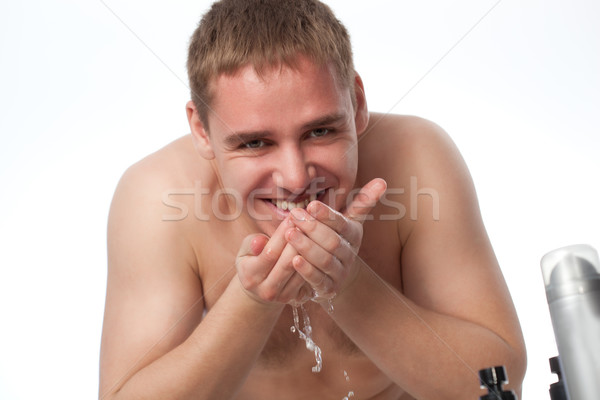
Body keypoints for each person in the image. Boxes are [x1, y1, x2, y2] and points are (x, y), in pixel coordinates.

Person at [99, 0, 527, 399]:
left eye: (320, 132)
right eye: (253, 143)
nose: (295, 177)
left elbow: (500, 379)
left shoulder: (417, 156)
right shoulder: (153, 195)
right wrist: (252, 302)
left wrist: (349, 285)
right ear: (202, 132)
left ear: (357, 104)